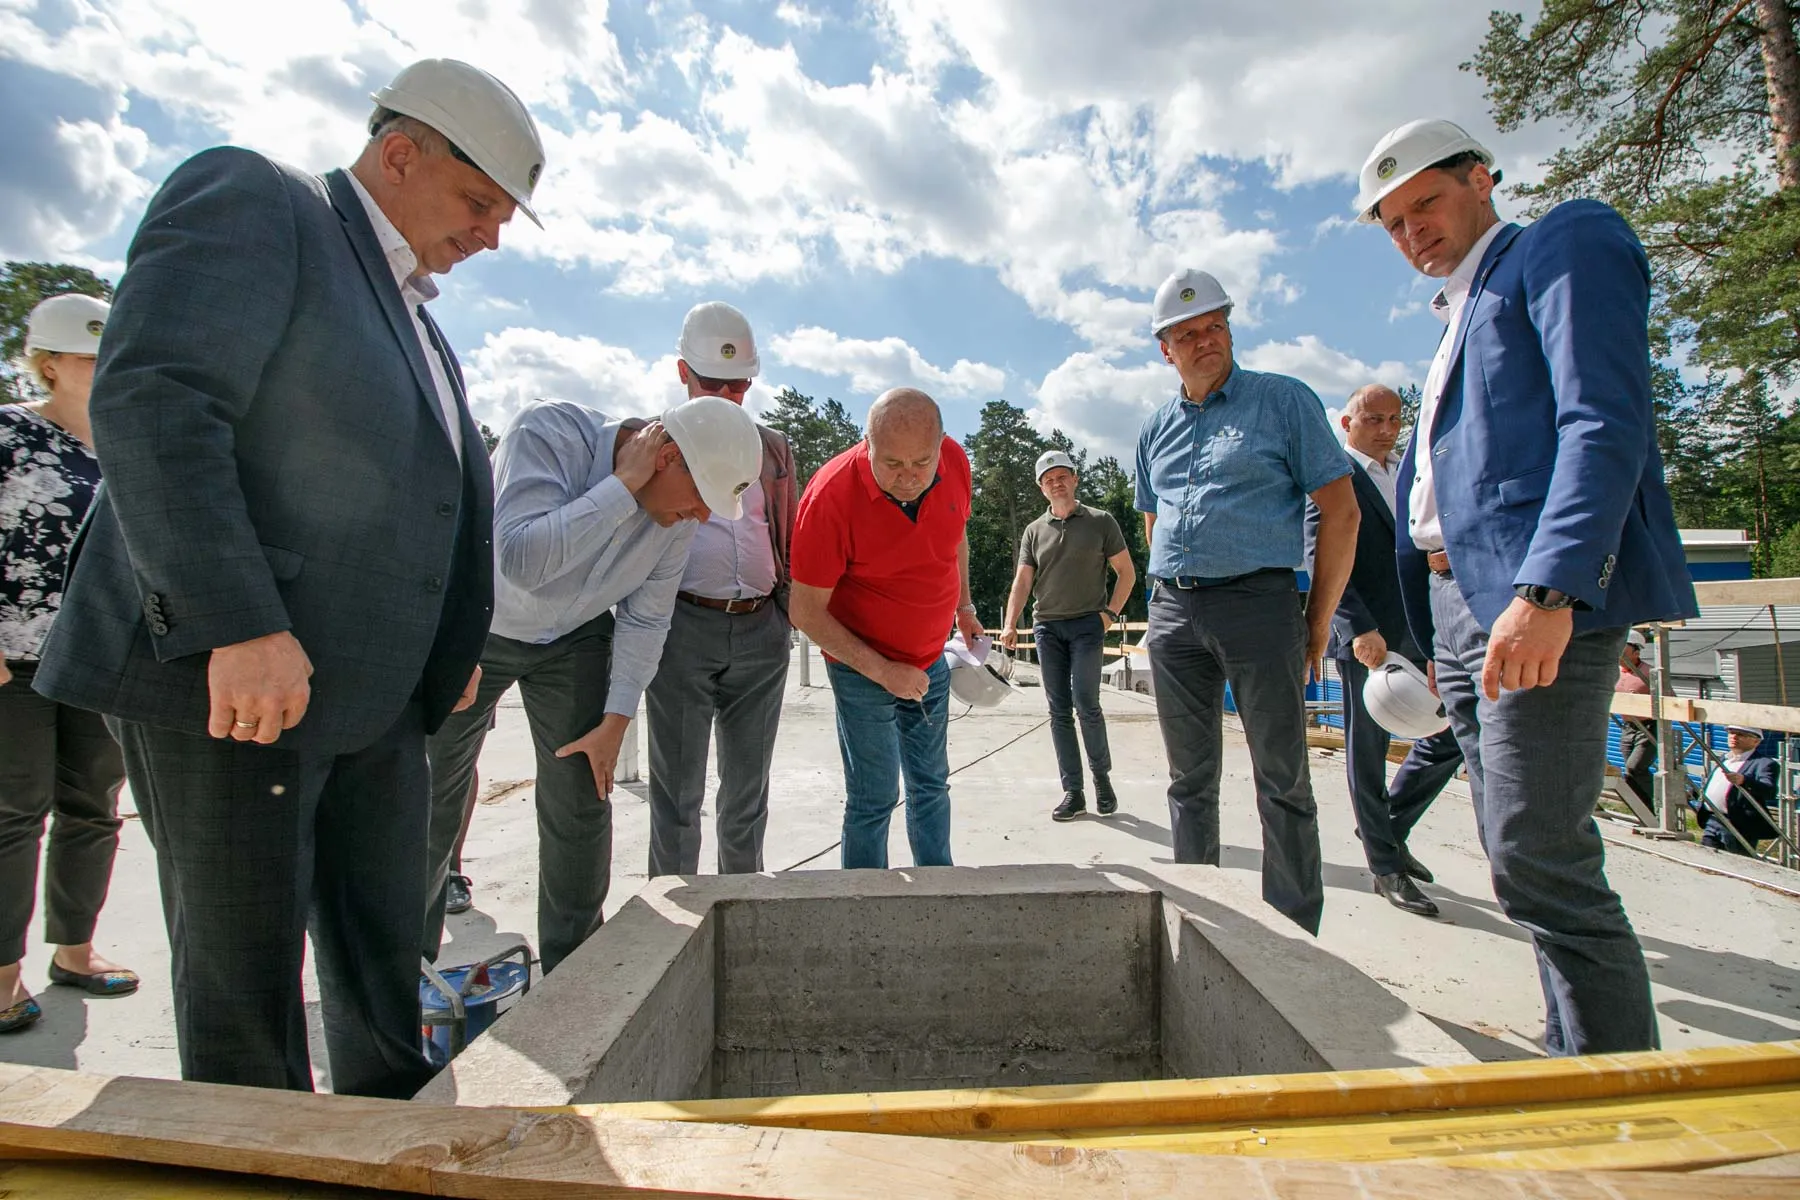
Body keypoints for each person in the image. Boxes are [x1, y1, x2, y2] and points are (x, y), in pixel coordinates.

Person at [31, 59, 540, 1095]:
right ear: (400, 154)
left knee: (381, 960)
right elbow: (159, 399)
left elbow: (423, 500)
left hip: (370, 700)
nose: (491, 234)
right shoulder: (261, 202)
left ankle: (382, 1142)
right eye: (478, 201)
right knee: (248, 991)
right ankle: (257, 1159)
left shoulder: (422, 323)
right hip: (239, 683)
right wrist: (237, 622)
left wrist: (448, 650)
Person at [1355, 118, 1697, 1055]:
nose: (1413, 232)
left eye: (1427, 203)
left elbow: (1603, 421)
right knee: (1517, 849)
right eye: (1394, 223)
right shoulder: (1458, 312)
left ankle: (1619, 1094)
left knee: (1537, 854)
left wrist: (1550, 592)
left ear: (1481, 180)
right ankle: (1569, 1052)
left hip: (1528, 602)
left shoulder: (1559, 245)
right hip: (1457, 607)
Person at [421, 394, 762, 973]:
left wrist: (616, 719)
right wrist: (620, 488)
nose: (701, 518)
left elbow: (647, 618)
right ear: (666, 458)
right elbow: (520, 562)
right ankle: (410, 973)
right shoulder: (549, 433)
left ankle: (574, 971)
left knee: (582, 792)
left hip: (574, 636)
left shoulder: (674, 518)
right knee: (434, 791)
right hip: (479, 621)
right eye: (701, 499)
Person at [1134, 268, 1358, 935]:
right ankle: (1200, 920)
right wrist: (1162, 600)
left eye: (1216, 326)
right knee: (1188, 779)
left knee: (1281, 778)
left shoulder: (1283, 402)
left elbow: (1341, 514)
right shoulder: (1154, 429)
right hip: (1174, 612)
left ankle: (1293, 935)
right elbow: (1154, 519)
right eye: (1188, 334)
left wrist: (1317, 620)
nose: (1206, 340)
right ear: (1165, 350)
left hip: (1259, 605)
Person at [1, 294, 138, 1036]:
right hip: (13, 661)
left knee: (93, 807)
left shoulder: (124, 441)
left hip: (95, 656)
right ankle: (1, 975)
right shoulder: (11, 433)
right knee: (13, 812)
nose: (103, 366)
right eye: (88, 357)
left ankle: (75, 951)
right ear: (49, 363)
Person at [788, 388, 981, 869]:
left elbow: (956, 535)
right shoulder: (829, 496)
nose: (909, 477)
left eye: (922, 462)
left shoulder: (955, 462)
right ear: (867, 443)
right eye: (892, 463)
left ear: (941, 445)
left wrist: (964, 607)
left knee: (931, 785)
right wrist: (883, 671)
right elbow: (805, 612)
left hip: (931, 660)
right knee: (874, 797)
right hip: (861, 668)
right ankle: (863, 902)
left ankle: (938, 888)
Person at [645, 303, 797, 878]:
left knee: (746, 797)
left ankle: (744, 900)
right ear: (683, 372)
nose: (729, 395)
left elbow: (788, 529)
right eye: (714, 383)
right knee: (676, 796)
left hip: (761, 629)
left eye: (740, 385)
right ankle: (676, 904)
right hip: (682, 629)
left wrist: (784, 614)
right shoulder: (652, 446)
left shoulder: (773, 448)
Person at [1305, 384, 1464, 918]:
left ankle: (1389, 826)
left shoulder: (1412, 474)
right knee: (1367, 750)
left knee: (1452, 734)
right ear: (1347, 423)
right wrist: (1355, 627)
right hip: (1369, 637)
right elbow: (1322, 555)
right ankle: (1384, 865)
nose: (1387, 429)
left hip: (1427, 631)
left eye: (1395, 419)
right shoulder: (1334, 477)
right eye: (1374, 419)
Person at [1000, 450, 1136, 821]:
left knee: (1086, 703)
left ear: (1075, 479)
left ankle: (1102, 780)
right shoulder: (1034, 531)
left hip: (1088, 626)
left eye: (1062, 476)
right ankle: (1073, 792)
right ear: (1041, 488)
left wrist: (1110, 615)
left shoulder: (1101, 521)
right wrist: (1011, 623)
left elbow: (1126, 572)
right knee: (1058, 710)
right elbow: (1023, 581)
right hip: (1048, 629)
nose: (1056, 483)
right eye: (1048, 480)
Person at [1694, 725, 1779, 855]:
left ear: (1756, 741)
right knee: (1708, 858)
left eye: (1741, 734)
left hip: (1737, 824)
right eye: (1731, 733)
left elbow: (1769, 791)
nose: (1734, 737)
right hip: (1713, 819)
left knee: (1736, 861)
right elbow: (1715, 785)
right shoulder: (1725, 759)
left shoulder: (1763, 763)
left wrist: (1744, 781)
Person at [1614, 630, 1658, 811]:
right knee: (1630, 771)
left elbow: (1670, 699)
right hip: (1628, 727)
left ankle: (1653, 810)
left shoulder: (1650, 673)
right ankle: (1642, 812)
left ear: (1636, 652)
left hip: (1648, 727)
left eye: (1623, 649)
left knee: (1635, 767)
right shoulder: (1615, 673)